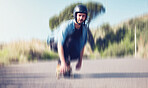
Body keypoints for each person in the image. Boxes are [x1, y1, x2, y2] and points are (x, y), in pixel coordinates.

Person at [47, 4, 88, 74]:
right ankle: (61, 65)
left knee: (76, 53)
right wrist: (63, 62)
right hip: (54, 42)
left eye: (83, 16)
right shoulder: (66, 26)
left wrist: (80, 61)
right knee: (70, 40)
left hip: (68, 44)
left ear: (85, 17)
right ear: (75, 15)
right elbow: (60, 44)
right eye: (79, 15)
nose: (81, 18)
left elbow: (82, 46)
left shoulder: (84, 29)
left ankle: (67, 63)